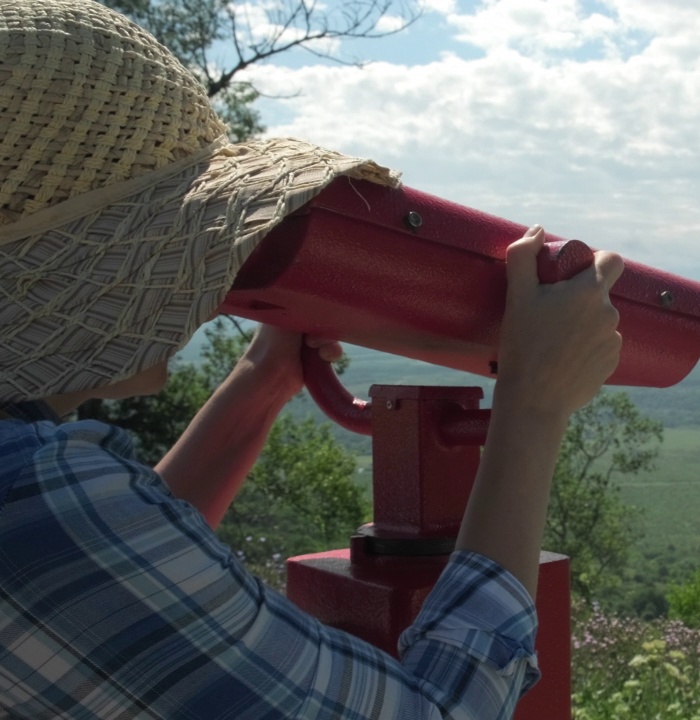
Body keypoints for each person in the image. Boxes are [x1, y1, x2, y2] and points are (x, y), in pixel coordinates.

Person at [0, 1, 622, 718]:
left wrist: (261, 384)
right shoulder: (31, 500)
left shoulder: (35, 502)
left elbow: (107, 589)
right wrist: (533, 402)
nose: (206, 285)